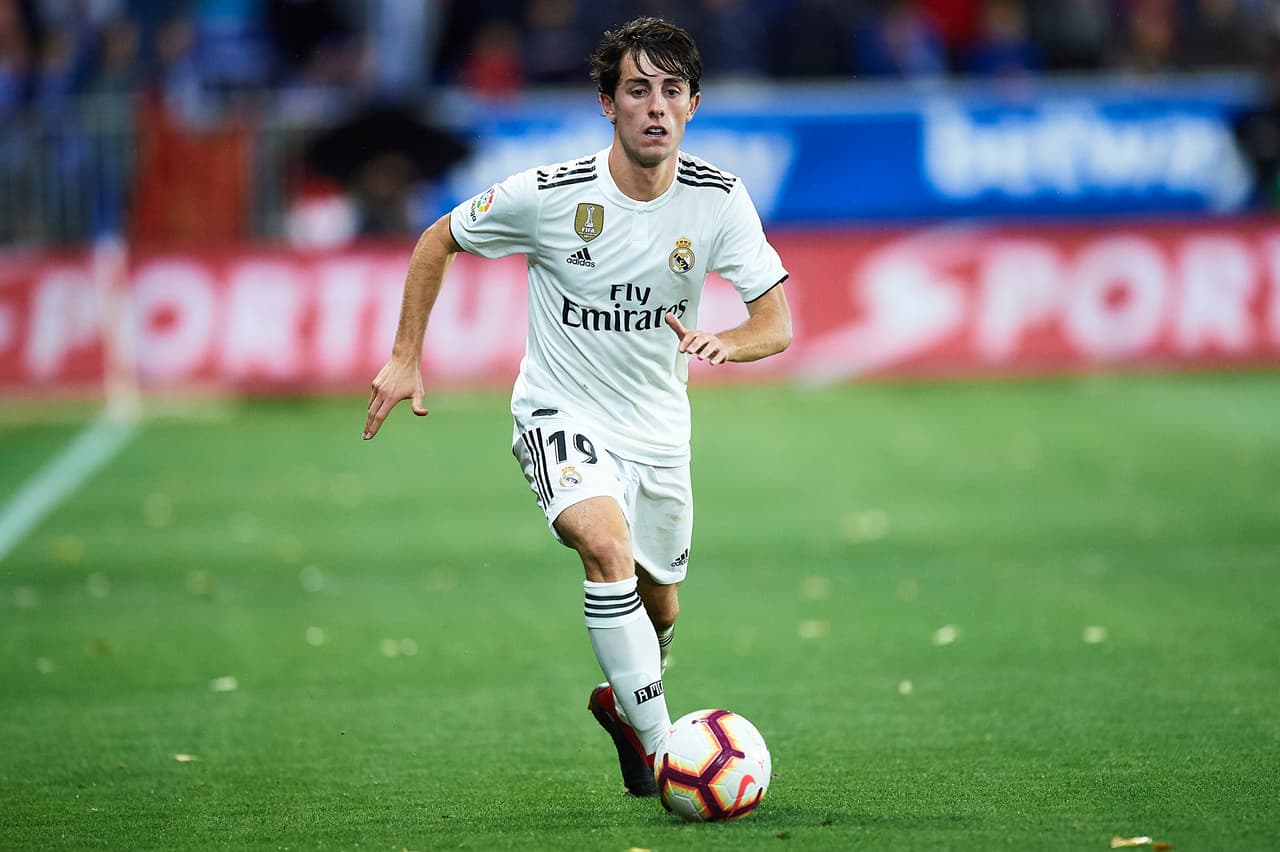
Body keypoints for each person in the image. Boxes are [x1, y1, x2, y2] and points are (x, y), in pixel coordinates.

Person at [362, 16, 791, 798]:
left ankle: (626, 705)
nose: (655, 107)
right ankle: (667, 753)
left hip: (659, 428)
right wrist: (404, 355)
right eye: (637, 90)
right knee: (603, 546)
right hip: (560, 412)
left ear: (693, 105)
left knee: (660, 605)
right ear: (607, 103)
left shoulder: (719, 200)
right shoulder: (551, 195)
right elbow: (437, 240)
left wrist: (729, 341)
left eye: (671, 91)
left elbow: (776, 323)